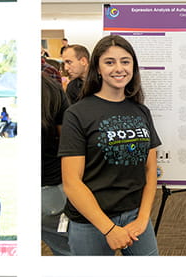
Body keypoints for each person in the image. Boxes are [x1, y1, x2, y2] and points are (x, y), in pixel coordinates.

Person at [60, 35, 161, 255]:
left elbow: (150, 170)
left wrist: (143, 218)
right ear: (97, 67)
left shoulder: (141, 111)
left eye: (125, 62)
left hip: (135, 217)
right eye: (109, 62)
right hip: (90, 221)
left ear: (133, 67)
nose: (119, 68)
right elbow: (71, 182)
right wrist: (109, 229)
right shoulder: (77, 114)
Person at [41, 64, 73, 255]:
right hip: (53, 187)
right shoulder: (51, 89)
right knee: (69, 251)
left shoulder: (51, 90)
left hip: (52, 187)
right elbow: (68, 143)